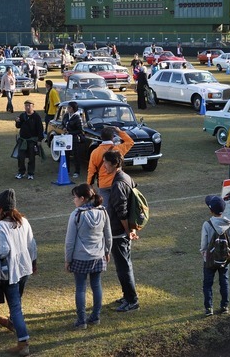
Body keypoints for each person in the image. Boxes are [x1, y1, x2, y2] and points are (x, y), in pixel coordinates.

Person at [0, 188, 37, 356]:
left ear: (2, 208)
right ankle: (13, 322)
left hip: (11, 271)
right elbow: (32, 244)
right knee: (17, 300)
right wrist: (33, 262)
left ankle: (23, 342)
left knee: (15, 305)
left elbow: (4, 250)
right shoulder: (24, 221)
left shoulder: (0, 226)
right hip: (25, 267)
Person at [64, 183, 112, 329]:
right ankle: (95, 317)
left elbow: (70, 241)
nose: (74, 200)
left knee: (80, 288)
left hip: (80, 257)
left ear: (83, 198)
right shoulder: (103, 211)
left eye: (75, 198)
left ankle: (81, 320)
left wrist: (68, 259)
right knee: (96, 285)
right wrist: (107, 251)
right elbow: (108, 235)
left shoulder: (76, 215)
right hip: (98, 256)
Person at [102, 150, 139, 312]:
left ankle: (132, 301)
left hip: (118, 231)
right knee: (125, 265)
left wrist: (128, 230)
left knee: (123, 267)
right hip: (121, 230)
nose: (104, 166)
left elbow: (121, 211)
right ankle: (127, 295)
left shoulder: (118, 183)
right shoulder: (125, 177)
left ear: (115, 164)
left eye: (106, 163)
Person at [200, 195, 230, 316]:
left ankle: (208, 308)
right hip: (224, 259)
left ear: (211, 210)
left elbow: (204, 245)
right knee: (224, 282)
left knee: (207, 284)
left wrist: (204, 255)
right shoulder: (229, 224)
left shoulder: (207, 224)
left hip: (210, 260)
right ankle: (225, 306)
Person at [87, 126, 134, 204]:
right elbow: (130, 142)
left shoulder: (95, 152)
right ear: (113, 137)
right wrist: (119, 131)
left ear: (101, 137)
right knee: (119, 206)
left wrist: (89, 185)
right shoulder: (118, 150)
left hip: (103, 184)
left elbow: (91, 171)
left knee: (106, 209)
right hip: (117, 182)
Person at [14, 100, 43, 180]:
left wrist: (39, 140)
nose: (27, 107)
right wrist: (17, 122)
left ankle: (30, 173)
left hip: (32, 140)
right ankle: (21, 172)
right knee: (21, 157)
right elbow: (18, 126)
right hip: (23, 140)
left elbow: (40, 128)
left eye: (29, 106)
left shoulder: (36, 116)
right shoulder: (22, 115)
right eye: (26, 106)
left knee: (31, 157)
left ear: (33, 106)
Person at [62, 101, 83, 178]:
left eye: (69, 107)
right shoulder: (66, 115)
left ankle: (77, 171)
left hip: (74, 138)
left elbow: (80, 130)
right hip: (66, 138)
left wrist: (70, 132)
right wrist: (64, 128)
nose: (68, 109)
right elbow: (63, 123)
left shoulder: (77, 117)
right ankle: (67, 170)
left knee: (75, 155)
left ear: (73, 108)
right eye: (67, 107)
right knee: (66, 154)